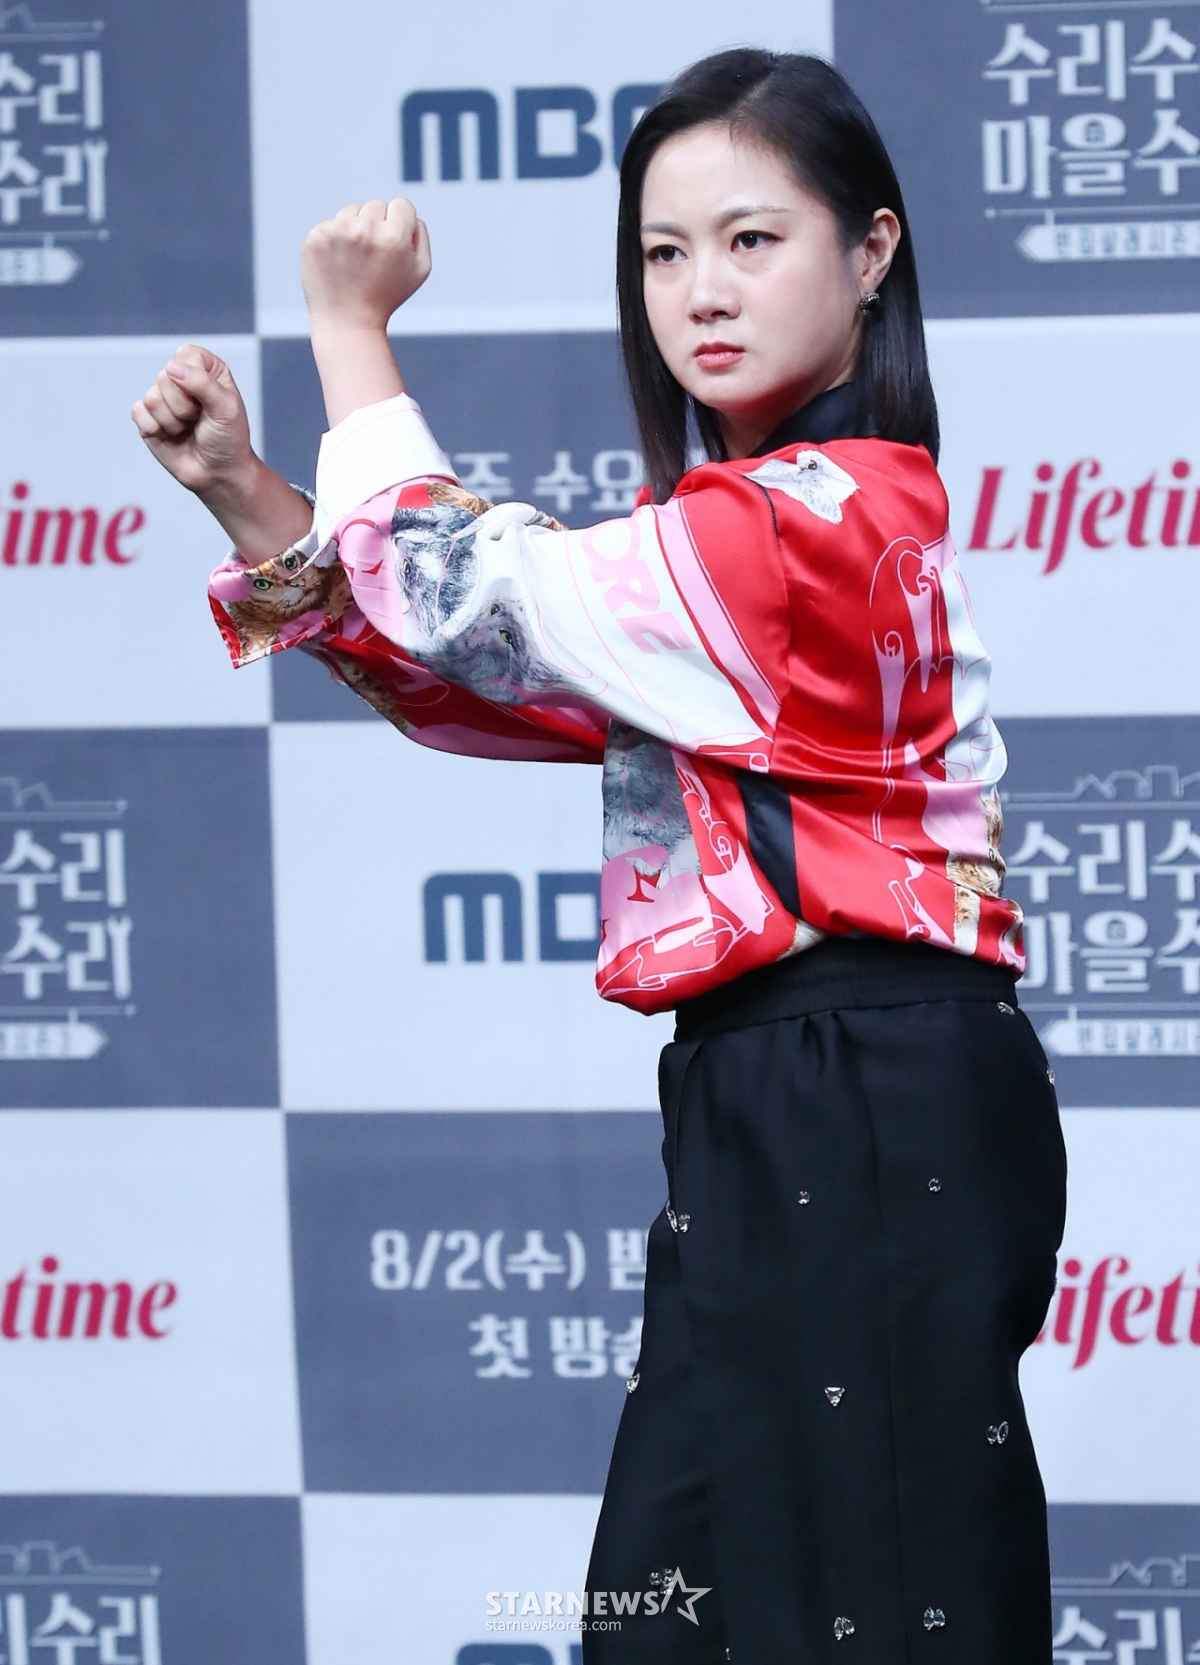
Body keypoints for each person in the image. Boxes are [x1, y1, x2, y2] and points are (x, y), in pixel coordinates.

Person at [133, 48, 1066, 1665]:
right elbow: (474, 679)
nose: (701, 291)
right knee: (666, 1617)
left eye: (753, 240)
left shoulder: (802, 523)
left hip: (859, 1087)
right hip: (788, 1088)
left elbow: (456, 594)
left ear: (873, 252)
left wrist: (349, 327)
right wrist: (249, 499)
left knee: (872, 1620)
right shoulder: (749, 523)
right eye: (663, 251)